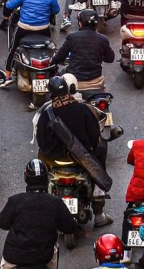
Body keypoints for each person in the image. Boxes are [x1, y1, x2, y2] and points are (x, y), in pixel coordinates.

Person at [35, 76, 112, 227]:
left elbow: (41, 141)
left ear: (51, 93)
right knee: (101, 150)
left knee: (39, 159)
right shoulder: (83, 109)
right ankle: (98, 203)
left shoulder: (46, 114)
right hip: (81, 159)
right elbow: (95, 134)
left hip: (54, 160)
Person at [0, 159, 82, 269]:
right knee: (55, 250)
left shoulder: (14, 200)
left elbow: (2, 224)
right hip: (43, 259)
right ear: (46, 178)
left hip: (13, 258)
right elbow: (69, 227)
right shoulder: (55, 202)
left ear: (26, 178)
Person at [3, 0, 61, 82]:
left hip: (24, 28)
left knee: (12, 49)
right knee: (51, 47)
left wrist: (7, 2)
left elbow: (10, 6)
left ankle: (7, 75)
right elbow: (56, 11)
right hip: (43, 29)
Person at [53, 9, 114, 87]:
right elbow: (110, 59)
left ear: (80, 23)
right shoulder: (103, 39)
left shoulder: (72, 37)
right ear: (97, 24)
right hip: (96, 81)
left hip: (75, 81)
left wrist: (51, 64)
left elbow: (59, 57)